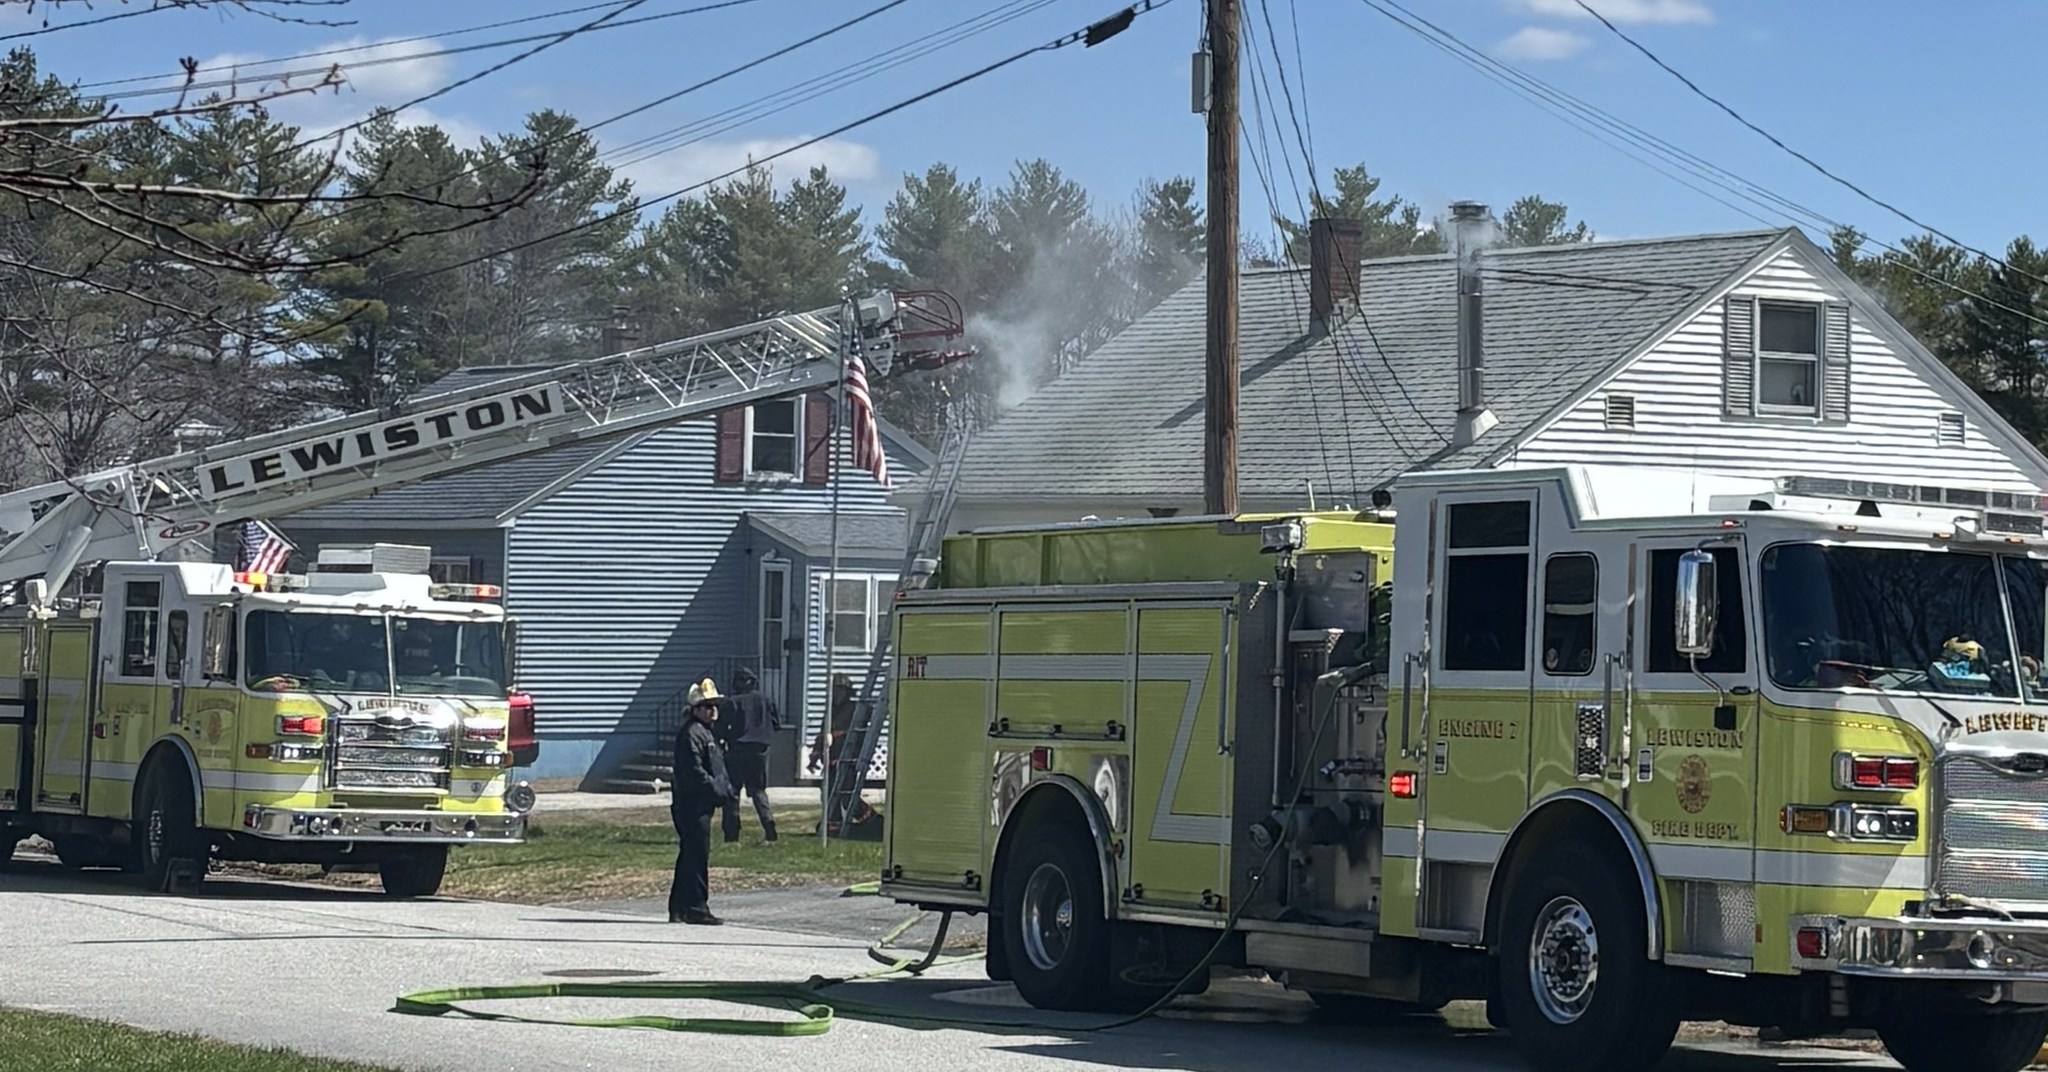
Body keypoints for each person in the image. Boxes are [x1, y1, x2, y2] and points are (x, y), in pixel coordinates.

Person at [669, 678, 734, 925]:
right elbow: (694, 772)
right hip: (691, 804)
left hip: (701, 803)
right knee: (697, 855)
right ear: (695, 709)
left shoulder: (706, 732)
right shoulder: (691, 734)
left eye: (714, 706)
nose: (712, 710)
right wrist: (716, 790)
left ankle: (679, 907)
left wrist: (725, 789)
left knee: (690, 854)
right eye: (707, 706)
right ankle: (696, 907)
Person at [717, 666, 781, 843]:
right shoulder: (766, 700)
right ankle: (770, 828)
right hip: (760, 751)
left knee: (732, 792)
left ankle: (732, 835)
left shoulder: (732, 702)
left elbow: (720, 728)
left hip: (737, 750)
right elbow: (776, 724)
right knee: (758, 791)